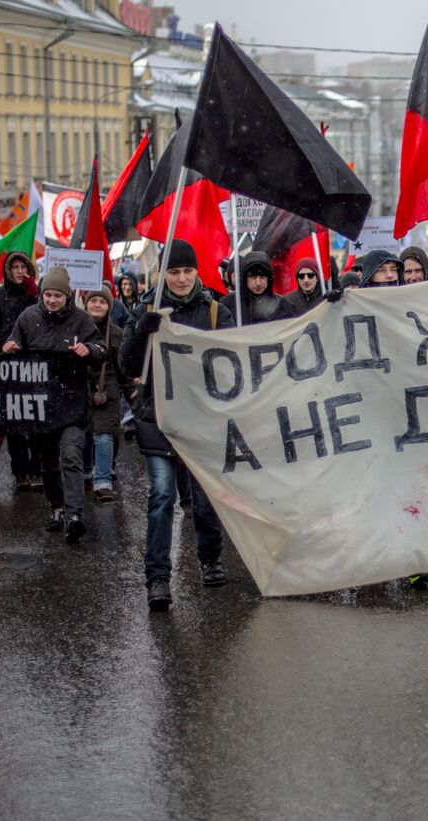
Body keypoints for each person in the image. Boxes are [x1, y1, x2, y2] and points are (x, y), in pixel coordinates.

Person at [119, 240, 234, 611]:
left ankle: (211, 559)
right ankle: (157, 579)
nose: (182, 278)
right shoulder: (146, 309)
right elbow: (128, 366)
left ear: (197, 271)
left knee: (204, 498)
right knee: (162, 498)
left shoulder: (216, 310)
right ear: (162, 273)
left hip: (202, 420)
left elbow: (237, 357)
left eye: (187, 270)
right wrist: (140, 330)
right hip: (160, 420)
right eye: (174, 271)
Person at [2, 266, 105, 543]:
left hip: (72, 404)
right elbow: (13, 343)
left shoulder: (81, 320)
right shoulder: (28, 317)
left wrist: (89, 350)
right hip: (41, 405)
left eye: (57, 295)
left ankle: (74, 515)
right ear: (42, 294)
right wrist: (10, 346)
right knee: (47, 463)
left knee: (71, 456)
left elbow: (101, 349)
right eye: (48, 294)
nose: (52, 300)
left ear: (67, 295)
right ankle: (57, 507)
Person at [0, 251, 42, 492]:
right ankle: (21, 473)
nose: (19, 271)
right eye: (15, 267)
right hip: (5, 366)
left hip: (34, 367)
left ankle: (37, 469)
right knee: (15, 423)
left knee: (37, 422)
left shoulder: (36, 295)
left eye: (23, 267)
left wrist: (33, 293)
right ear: (8, 271)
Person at [83, 286, 125, 503]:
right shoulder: (75, 329)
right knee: (83, 436)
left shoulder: (117, 333)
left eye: (102, 301)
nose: (97, 304)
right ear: (86, 303)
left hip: (107, 393)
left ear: (109, 306)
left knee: (104, 436)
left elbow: (123, 368)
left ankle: (103, 482)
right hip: (80, 389)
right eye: (93, 300)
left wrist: (133, 395)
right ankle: (86, 473)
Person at [221, 251, 298, 324]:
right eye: (253, 276)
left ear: (269, 278)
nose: (258, 283)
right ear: (244, 278)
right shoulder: (228, 305)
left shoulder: (284, 307)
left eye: (263, 276)